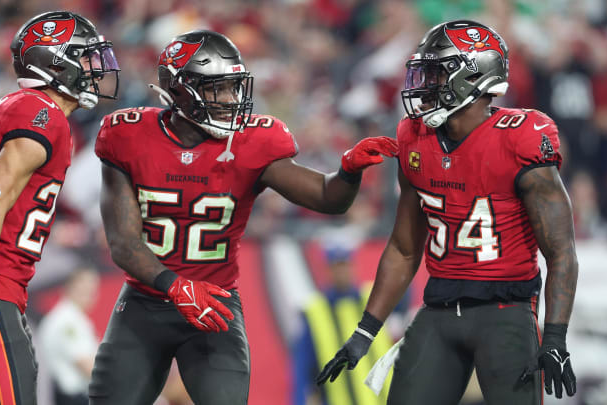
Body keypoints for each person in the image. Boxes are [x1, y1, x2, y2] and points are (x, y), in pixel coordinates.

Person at [88, 29, 398, 405]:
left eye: (234, 87)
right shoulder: (129, 135)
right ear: (180, 89)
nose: (231, 99)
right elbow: (122, 241)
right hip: (145, 302)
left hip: (215, 305)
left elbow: (327, 198)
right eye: (217, 89)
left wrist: (348, 172)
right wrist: (175, 285)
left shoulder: (252, 143)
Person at [317, 20, 579, 405]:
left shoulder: (520, 137)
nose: (424, 83)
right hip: (438, 309)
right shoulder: (414, 136)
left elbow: (561, 252)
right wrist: (365, 332)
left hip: (505, 312)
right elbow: (405, 248)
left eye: (437, 72)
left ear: (471, 78)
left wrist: (555, 336)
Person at [0, 11, 119, 405]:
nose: (92, 69)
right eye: (83, 58)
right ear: (56, 62)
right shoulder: (41, 112)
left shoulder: (34, 109)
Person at [293, 241, 395, 405]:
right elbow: (302, 369)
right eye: (336, 266)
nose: (342, 272)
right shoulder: (315, 311)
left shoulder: (373, 299)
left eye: (345, 265)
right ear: (327, 270)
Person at [38, 267, 100, 405]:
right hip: (72, 398)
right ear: (69, 287)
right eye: (83, 288)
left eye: (92, 289)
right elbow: (86, 366)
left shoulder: (74, 318)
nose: (89, 293)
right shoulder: (66, 321)